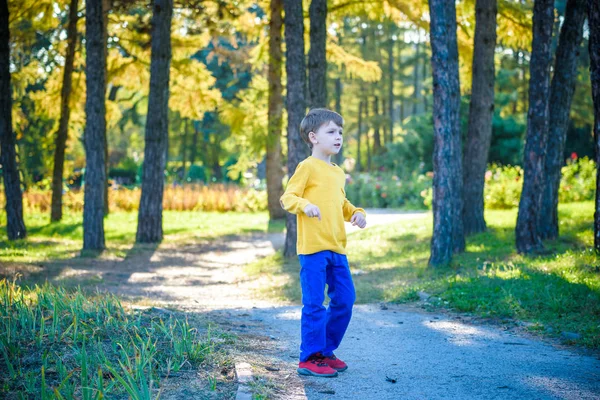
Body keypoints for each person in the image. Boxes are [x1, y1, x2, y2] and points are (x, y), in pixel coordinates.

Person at [280, 108, 367, 378]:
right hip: (313, 249)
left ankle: (325, 351)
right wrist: (305, 205)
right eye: (331, 131)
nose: (338, 136)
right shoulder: (307, 166)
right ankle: (310, 357)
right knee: (315, 303)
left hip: (337, 248)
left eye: (340, 132)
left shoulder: (338, 172)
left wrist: (356, 212)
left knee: (345, 299)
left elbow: (341, 204)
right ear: (313, 137)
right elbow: (288, 198)